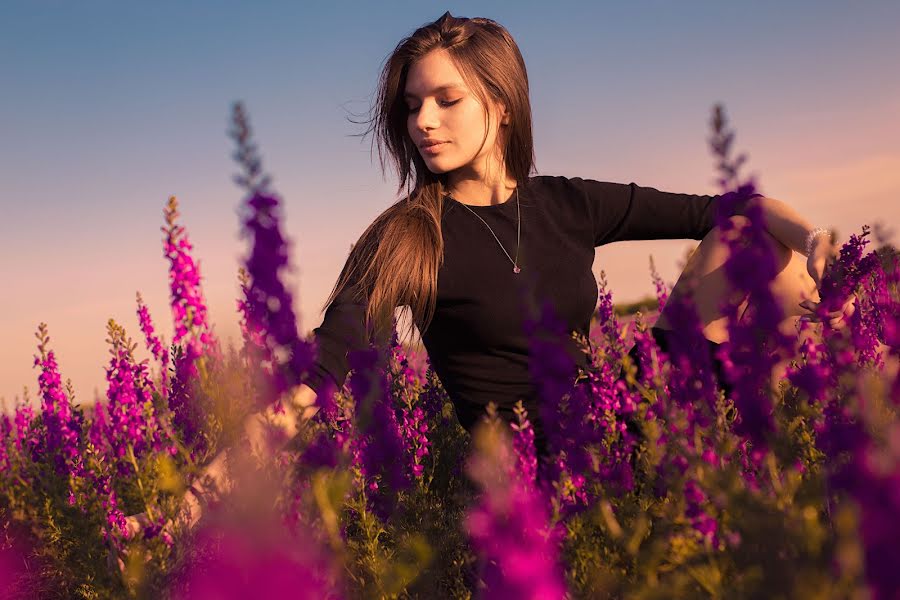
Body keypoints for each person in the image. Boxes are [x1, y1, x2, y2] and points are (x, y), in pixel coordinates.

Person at [124, 11, 853, 539]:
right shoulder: (405, 239)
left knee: (759, 246)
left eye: (447, 100)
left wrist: (815, 238)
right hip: (536, 457)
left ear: (499, 107)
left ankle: (806, 431)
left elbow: (731, 206)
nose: (423, 123)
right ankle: (781, 452)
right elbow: (316, 388)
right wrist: (193, 499)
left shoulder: (566, 201)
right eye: (411, 106)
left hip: (614, 404)